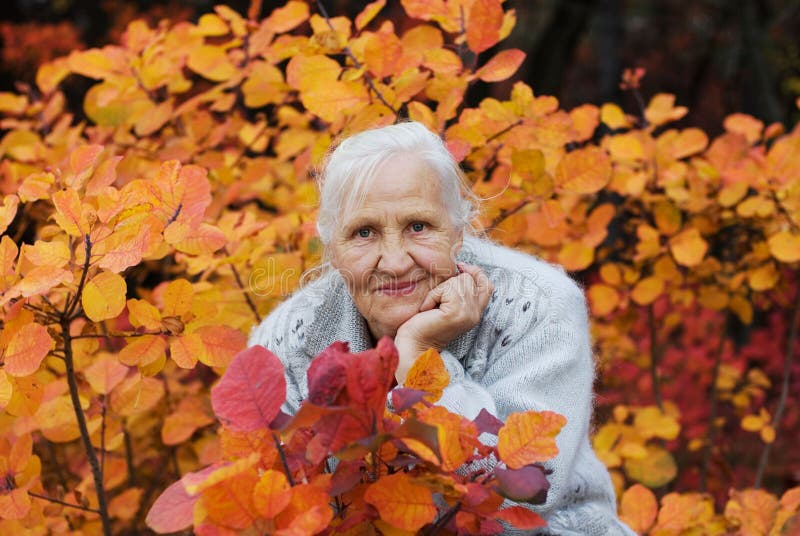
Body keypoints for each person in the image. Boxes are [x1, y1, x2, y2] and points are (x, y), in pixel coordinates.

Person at [248, 121, 636, 535]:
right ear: (333, 248)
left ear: (458, 229)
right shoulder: (287, 342)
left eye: (418, 226)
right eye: (364, 233)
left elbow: (515, 496)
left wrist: (420, 359)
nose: (395, 262)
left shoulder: (539, 306)